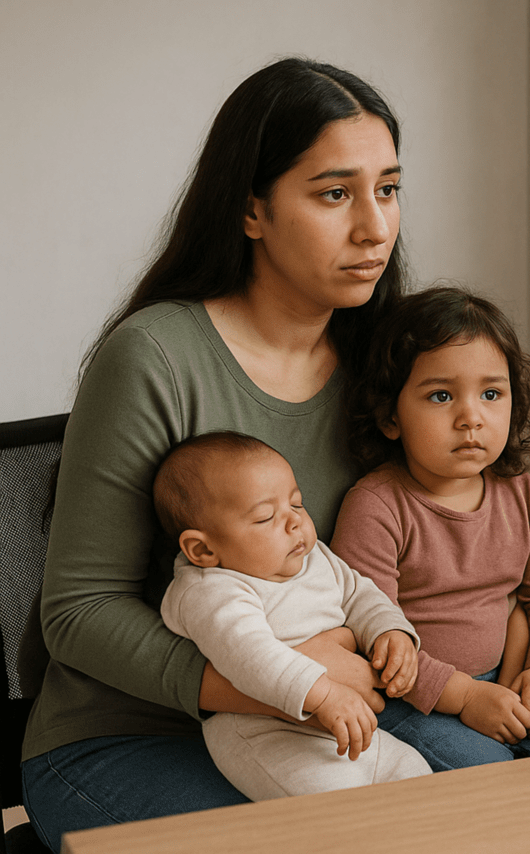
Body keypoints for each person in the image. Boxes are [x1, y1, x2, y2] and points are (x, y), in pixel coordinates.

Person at [21, 57, 409, 847]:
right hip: (126, 734)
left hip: (329, 709)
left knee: (516, 799)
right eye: (335, 194)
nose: (374, 227)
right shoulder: (154, 359)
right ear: (251, 210)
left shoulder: (383, 360)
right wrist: (290, 681)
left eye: (389, 189)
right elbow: (78, 614)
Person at [331, 285, 530, 770]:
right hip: (410, 700)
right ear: (390, 416)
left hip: (503, 682)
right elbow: (370, 636)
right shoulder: (375, 508)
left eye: (491, 394)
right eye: (441, 395)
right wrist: (465, 697)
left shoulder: (521, 494)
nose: (471, 418)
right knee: (491, 776)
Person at [155, 432, 432, 800]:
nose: (294, 523)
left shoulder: (312, 556)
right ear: (203, 549)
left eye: (297, 504)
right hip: (267, 734)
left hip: (344, 720)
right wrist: (324, 694)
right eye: (266, 517)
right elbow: (251, 657)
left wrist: (389, 631)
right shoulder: (211, 590)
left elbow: (359, 594)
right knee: (338, 807)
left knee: (417, 776)